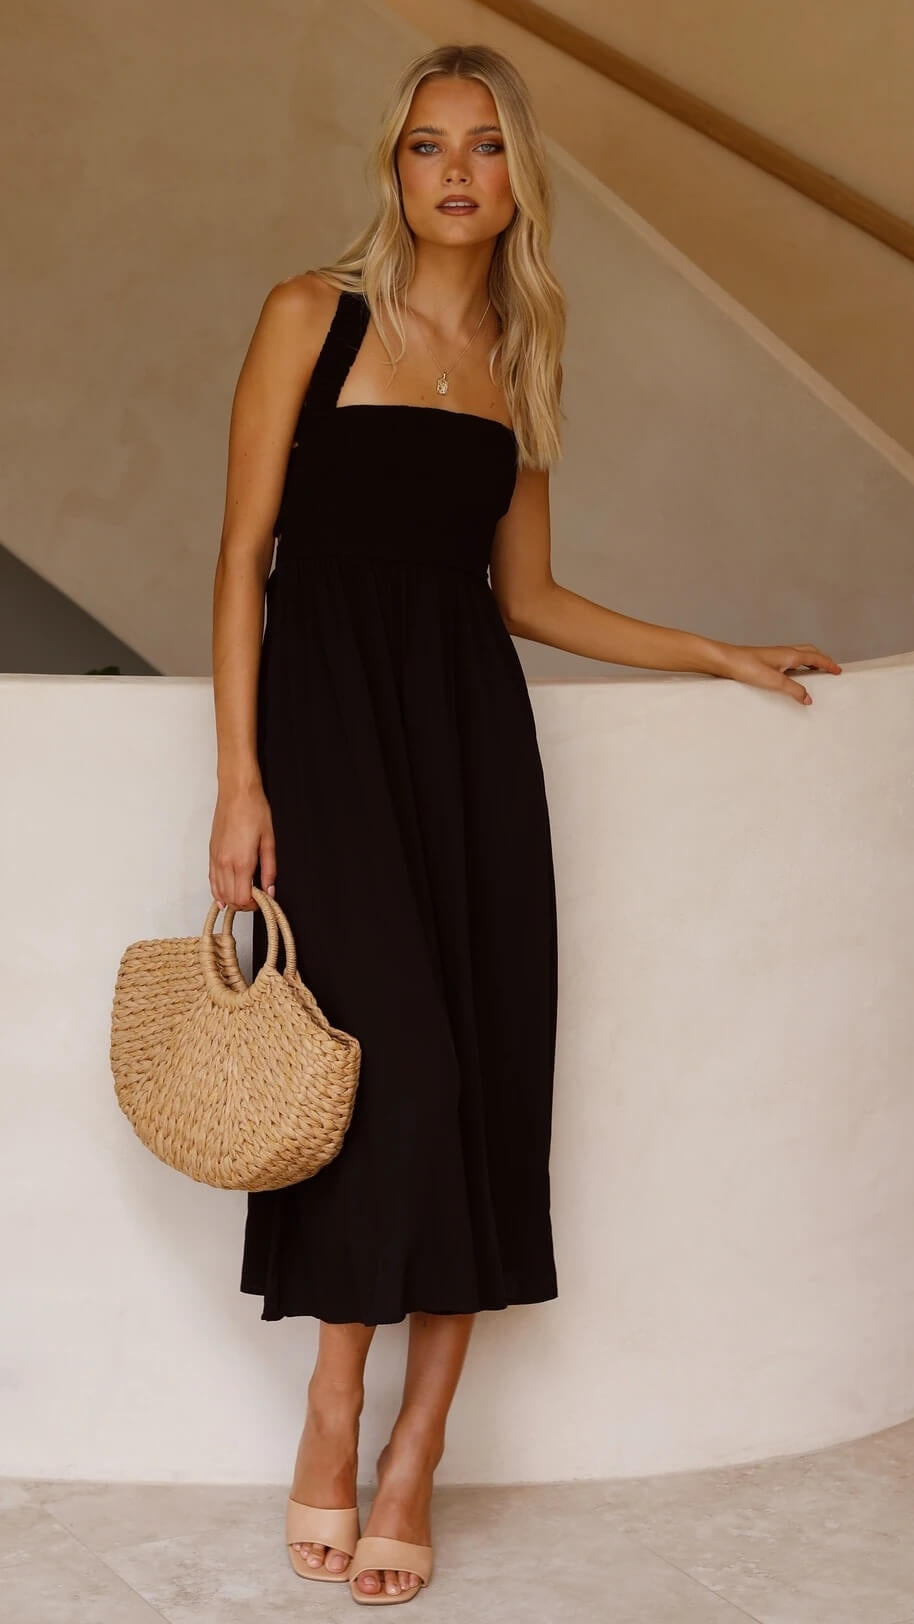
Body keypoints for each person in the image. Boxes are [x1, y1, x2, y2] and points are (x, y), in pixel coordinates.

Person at [208, 41, 841, 1608]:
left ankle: (414, 1450)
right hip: (328, 745)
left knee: (484, 1080)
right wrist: (239, 780)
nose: (455, 172)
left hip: (474, 751)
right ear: (395, 165)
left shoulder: (519, 355)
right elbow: (238, 558)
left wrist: (714, 651)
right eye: (430, 144)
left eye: (484, 147)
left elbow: (529, 597)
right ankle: (335, 1403)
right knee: (390, 1083)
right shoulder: (309, 315)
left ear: (516, 181)